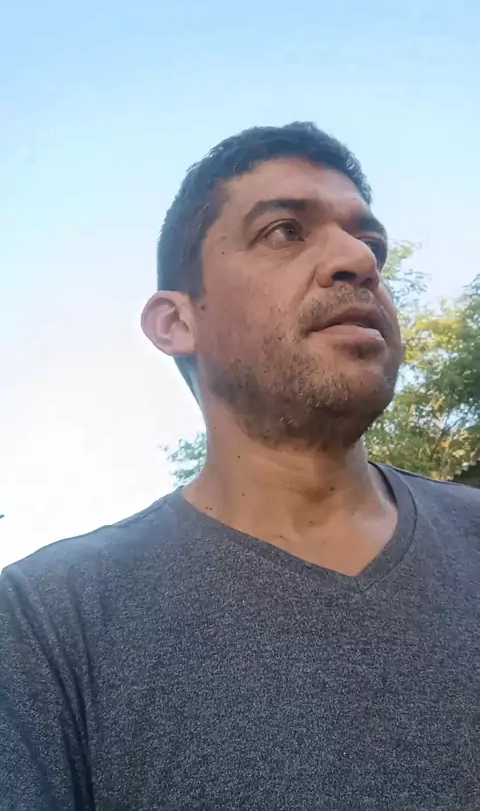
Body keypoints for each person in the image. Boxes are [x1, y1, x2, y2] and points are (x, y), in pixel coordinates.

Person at [1, 123, 479, 811]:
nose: (359, 260)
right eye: (285, 231)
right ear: (176, 322)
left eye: (370, 243)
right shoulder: (46, 623)